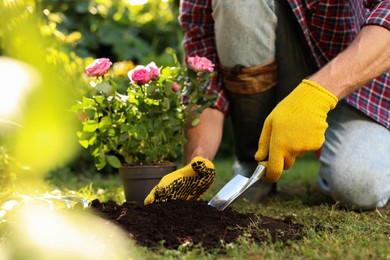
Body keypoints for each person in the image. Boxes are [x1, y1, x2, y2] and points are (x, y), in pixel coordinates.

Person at [145, 0, 390, 210]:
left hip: (362, 78)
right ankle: (256, 163)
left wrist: (316, 95)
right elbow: (204, 70)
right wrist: (196, 162)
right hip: (279, 71)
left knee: (360, 185)